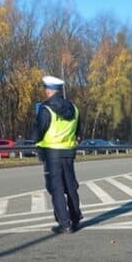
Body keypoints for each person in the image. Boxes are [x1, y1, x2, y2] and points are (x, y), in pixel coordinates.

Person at [33, 75, 83, 234]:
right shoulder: (74, 109)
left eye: (46, 89)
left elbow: (37, 134)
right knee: (70, 186)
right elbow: (78, 133)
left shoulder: (45, 109)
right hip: (68, 153)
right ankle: (75, 218)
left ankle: (64, 224)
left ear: (49, 91)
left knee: (56, 189)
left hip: (51, 154)